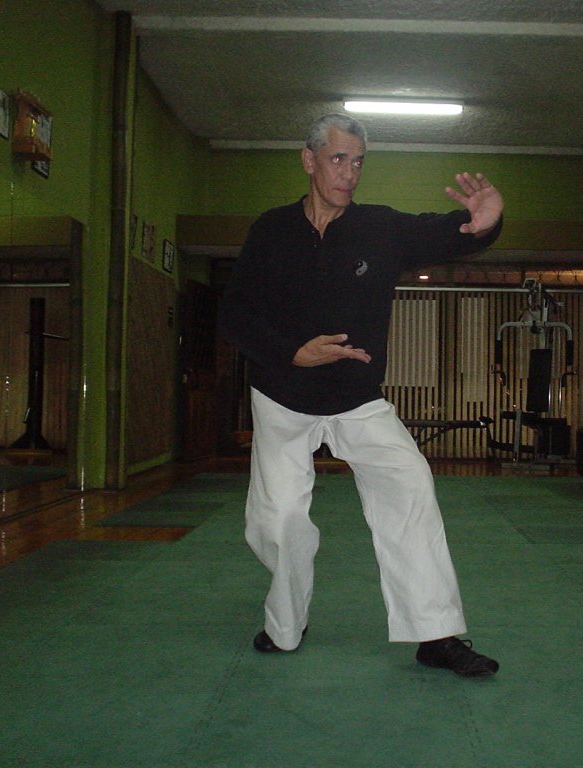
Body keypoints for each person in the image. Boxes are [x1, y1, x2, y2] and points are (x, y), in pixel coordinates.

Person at [217, 113, 502, 677]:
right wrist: (292, 352)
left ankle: (434, 634)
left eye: (359, 162)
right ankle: (286, 624)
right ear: (309, 160)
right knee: (277, 520)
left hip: (357, 398)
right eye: (338, 160)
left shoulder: (379, 227)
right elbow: (234, 314)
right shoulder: (271, 230)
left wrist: (482, 224)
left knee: (411, 486)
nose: (349, 173)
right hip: (283, 395)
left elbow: (443, 231)